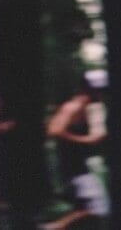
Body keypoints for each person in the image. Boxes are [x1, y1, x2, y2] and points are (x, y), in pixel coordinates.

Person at [44, 70, 110, 230]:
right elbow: (54, 130)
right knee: (99, 206)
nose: (100, 94)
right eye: (98, 90)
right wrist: (83, 141)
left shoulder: (89, 109)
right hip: (72, 166)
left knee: (86, 206)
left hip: (78, 165)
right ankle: (52, 227)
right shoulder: (72, 107)